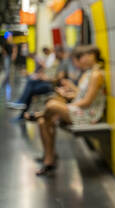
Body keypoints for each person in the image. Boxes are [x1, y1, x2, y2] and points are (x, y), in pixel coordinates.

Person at [34, 45, 106, 176]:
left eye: (82, 56)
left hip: (88, 114)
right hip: (80, 110)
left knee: (51, 105)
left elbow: (87, 102)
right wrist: (70, 89)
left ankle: (40, 114)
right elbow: (81, 94)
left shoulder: (96, 75)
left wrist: (68, 107)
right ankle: (49, 158)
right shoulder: (88, 73)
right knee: (42, 122)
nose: (80, 60)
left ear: (92, 56)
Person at [7, 47, 66, 117]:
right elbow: (48, 72)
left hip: (51, 85)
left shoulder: (63, 63)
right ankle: (21, 105)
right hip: (47, 82)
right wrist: (41, 76)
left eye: (56, 54)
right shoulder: (57, 62)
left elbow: (58, 78)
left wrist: (47, 78)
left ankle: (21, 107)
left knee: (31, 87)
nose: (55, 55)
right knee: (31, 82)